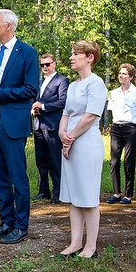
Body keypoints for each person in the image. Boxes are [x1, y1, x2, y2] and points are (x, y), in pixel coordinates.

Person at [0, 9, 39, 244]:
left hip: (12, 122)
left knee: (17, 175)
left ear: (9, 26)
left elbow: (30, 89)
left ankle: (21, 226)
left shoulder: (27, 52)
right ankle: (6, 221)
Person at [57, 41, 108, 259]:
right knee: (73, 194)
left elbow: (90, 116)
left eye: (76, 54)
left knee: (87, 195)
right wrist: (62, 133)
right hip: (70, 143)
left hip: (86, 144)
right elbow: (66, 113)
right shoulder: (73, 85)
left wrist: (70, 138)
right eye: (72, 53)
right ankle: (75, 242)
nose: (71, 57)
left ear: (90, 57)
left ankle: (91, 246)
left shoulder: (96, 84)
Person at [105, 63, 136, 205]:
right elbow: (112, 112)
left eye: (124, 74)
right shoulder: (114, 93)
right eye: (120, 73)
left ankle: (128, 195)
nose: (121, 76)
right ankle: (117, 193)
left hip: (131, 128)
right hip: (116, 128)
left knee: (129, 162)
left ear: (131, 77)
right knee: (114, 161)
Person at [31, 54, 69, 204]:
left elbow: (63, 101)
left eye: (47, 64)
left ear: (55, 64)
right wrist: (34, 108)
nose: (45, 67)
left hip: (53, 126)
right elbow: (35, 101)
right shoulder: (40, 83)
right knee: (41, 160)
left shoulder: (62, 80)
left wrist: (44, 106)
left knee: (55, 160)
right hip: (39, 125)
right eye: (42, 65)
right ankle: (43, 190)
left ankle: (58, 191)